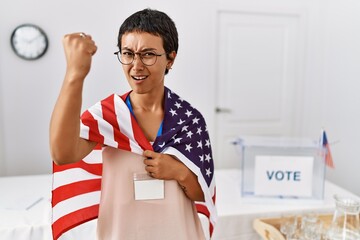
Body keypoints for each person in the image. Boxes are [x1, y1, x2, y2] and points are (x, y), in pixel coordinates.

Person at [50, 8, 216, 240]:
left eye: (148, 54)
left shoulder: (189, 120)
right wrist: (74, 75)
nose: (136, 66)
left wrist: (178, 171)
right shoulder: (108, 115)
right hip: (121, 233)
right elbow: (63, 153)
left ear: (171, 58)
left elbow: (203, 193)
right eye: (128, 53)